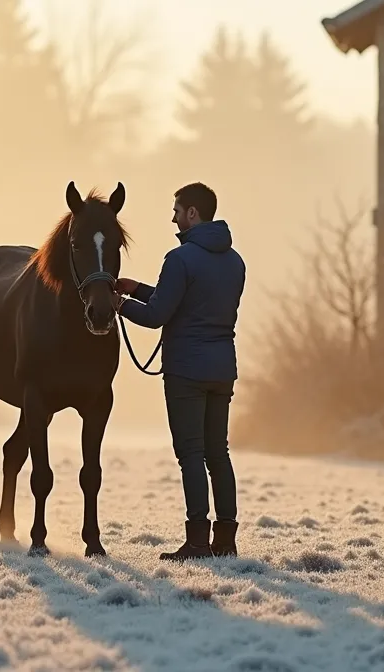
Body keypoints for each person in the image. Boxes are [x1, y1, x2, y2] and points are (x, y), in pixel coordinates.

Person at [115, 182, 246, 560]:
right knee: (217, 454)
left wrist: (117, 304)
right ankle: (225, 541)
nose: (172, 217)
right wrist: (137, 288)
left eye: (177, 210)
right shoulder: (235, 260)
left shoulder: (180, 258)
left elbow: (159, 314)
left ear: (193, 213)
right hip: (222, 368)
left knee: (190, 453)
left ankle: (196, 543)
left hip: (186, 371)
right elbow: (186, 301)